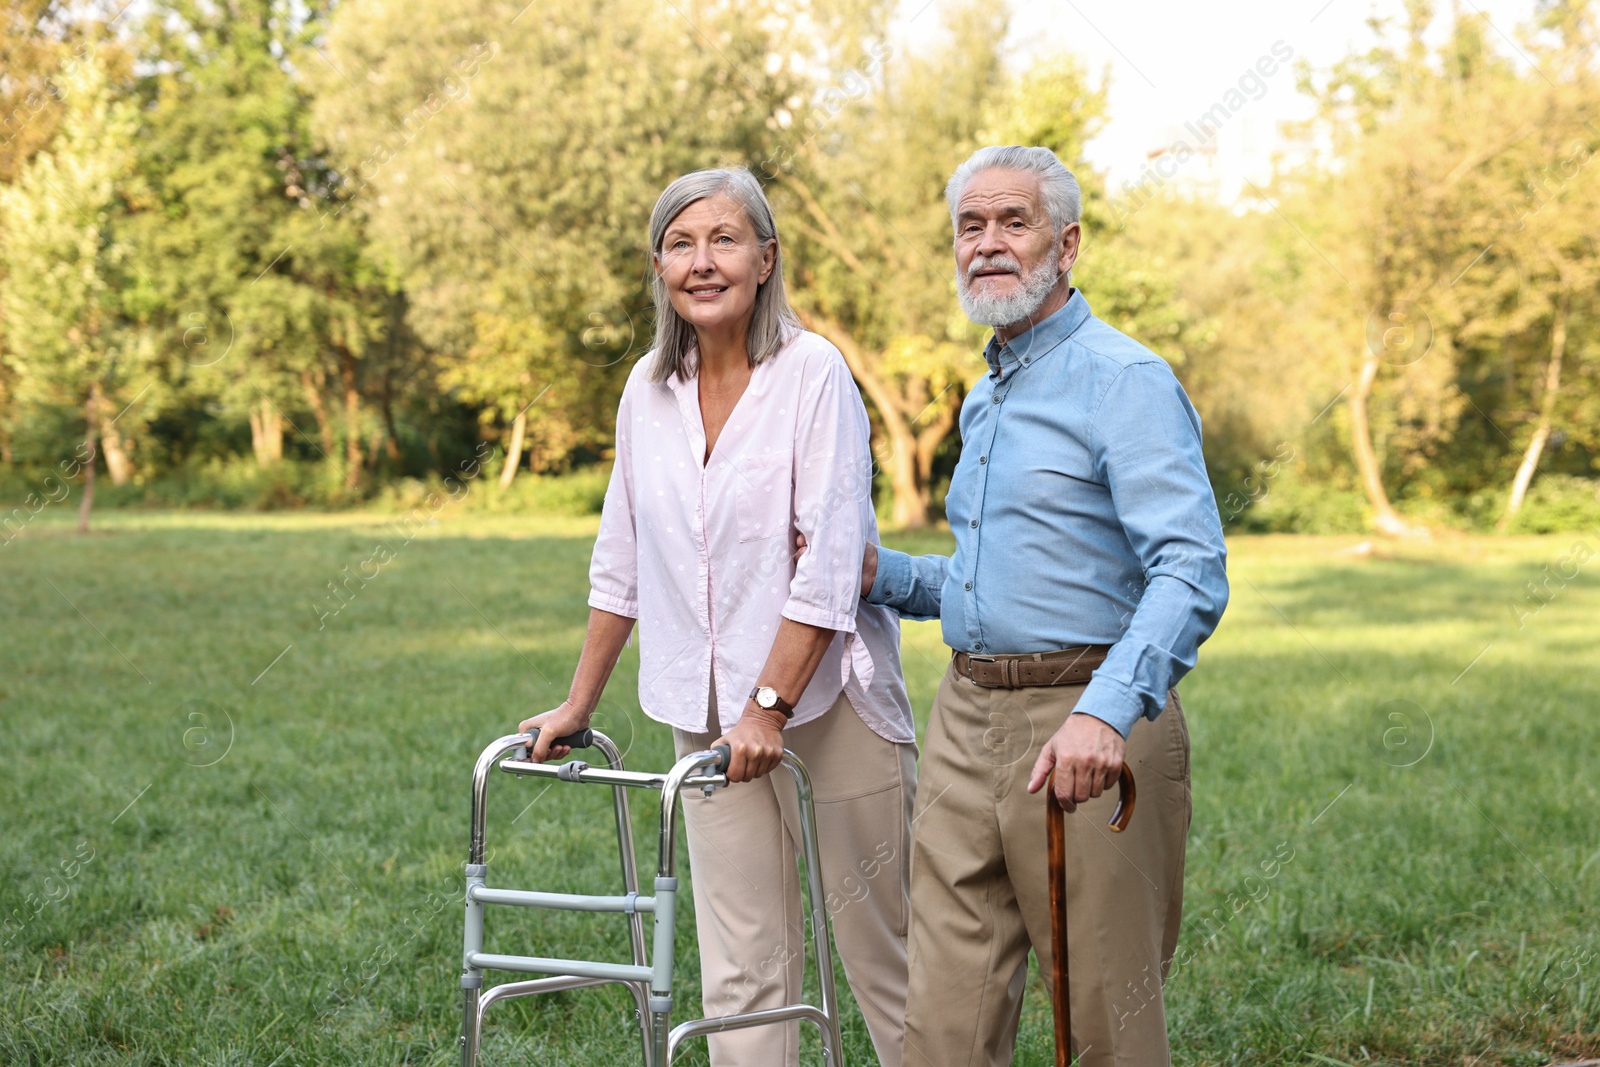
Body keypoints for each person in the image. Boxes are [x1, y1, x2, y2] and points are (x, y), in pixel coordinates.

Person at [519, 166, 918, 1067]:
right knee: (742, 965)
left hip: (828, 707)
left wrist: (767, 706)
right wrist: (578, 702)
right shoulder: (646, 389)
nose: (703, 262)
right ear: (658, 266)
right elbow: (622, 557)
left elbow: (828, 557)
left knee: (882, 953)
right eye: (681, 243)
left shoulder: (812, 373)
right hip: (703, 713)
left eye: (725, 240)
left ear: (767, 258)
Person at [863, 146, 1229, 1066]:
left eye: (1011, 222)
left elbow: (1189, 567)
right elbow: (1000, 588)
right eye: (969, 226)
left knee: (1103, 1025)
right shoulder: (987, 394)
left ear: (1066, 245)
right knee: (940, 1025)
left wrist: (1105, 713)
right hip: (965, 715)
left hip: (1088, 722)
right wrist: (878, 573)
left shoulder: (1124, 379)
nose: (987, 244)